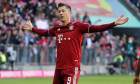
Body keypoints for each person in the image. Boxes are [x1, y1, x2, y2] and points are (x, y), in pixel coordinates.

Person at [23, 3, 129, 84]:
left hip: (72, 68)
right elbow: (45, 32)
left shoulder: (78, 26)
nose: (60, 13)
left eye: (63, 11)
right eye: (59, 11)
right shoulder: (57, 28)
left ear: (70, 13)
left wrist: (114, 23)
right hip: (59, 68)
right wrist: (32, 29)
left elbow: (96, 28)